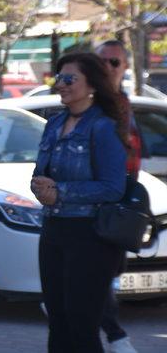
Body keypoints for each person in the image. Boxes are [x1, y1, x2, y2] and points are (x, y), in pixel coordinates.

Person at [31, 52, 128, 352]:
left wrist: (61, 191)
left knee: (82, 325)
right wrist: (40, 186)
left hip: (91, 237)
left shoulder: (103, 126)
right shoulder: (53, 123)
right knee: (57, 322)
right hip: (54, 231)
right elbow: (41, 172)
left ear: (92, 85)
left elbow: (113, 188)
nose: (61, 84)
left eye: (69, 78)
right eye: (59, 77)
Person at [95, 40, 140, 353]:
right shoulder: (89, 104)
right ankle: (115, 335)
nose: (108, 67)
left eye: (114, 62)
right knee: (98, 275)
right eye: (102, 62)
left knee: (109, 274)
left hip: (119, 207)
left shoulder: (124, 103)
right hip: (94, 205)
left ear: (125, 68)